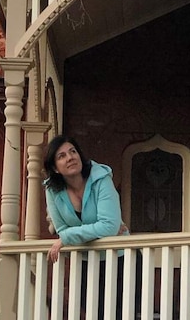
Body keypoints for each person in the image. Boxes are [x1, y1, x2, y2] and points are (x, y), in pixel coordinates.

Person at [44, 135, 133, 319]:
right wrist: (95, 230)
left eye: (72, 151)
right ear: (55, 168)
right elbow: (61, 229)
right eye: (61, 156)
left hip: (120, 259)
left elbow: (109, 226)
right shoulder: (52, 190)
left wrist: (69, 237)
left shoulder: (101, 178)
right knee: (93, 313)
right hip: (86, 262)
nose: (70, 157)